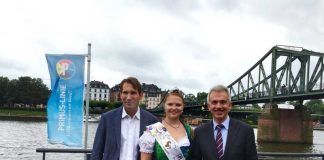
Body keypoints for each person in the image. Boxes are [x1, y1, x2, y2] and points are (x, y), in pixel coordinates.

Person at [91, 77, 158, 160]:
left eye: (133, 93)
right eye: (125, 93)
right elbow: (96, 153)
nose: (128, 97)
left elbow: (155, 155)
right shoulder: (107, 119)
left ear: (140, 95)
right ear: (120, 95)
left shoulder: (152, 121)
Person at [189, 85, 257, 160]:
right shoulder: (199, 132)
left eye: (223, 102)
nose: (218, 106)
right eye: (214, 102)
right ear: (209, 106)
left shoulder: (246, 131)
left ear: (230, 105)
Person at [139, 89, 193, 160]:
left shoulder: (189, 130)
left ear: (183, 107)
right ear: (164, 106)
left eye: (178, 105)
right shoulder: (153, 130)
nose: (174, 108)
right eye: (170, 104)